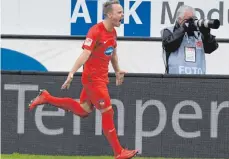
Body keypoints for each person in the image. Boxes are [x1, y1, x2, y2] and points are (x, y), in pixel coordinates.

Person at [28, 0, 138, 159]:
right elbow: (85, 54)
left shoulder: (113, 32)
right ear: (109, 14)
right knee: (108, 111)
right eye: (119, 12)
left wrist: (118, 70)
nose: (123, 15)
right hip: (93, 80)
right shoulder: (95, 31)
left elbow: (112, 53)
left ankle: (46, 97)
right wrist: (72, 72)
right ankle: (119, 152)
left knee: (83, 110)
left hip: (101, 79)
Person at [161, 5, 219, 74]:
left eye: (193, 19)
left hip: (198, 81)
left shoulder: (198, 34)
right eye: (188, 20)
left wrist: (206, 35)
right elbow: (169, 46)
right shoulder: (169, 31)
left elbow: (211, 48)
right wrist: (184, 28)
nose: (191, 22)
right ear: (179, 19)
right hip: (175, 81)